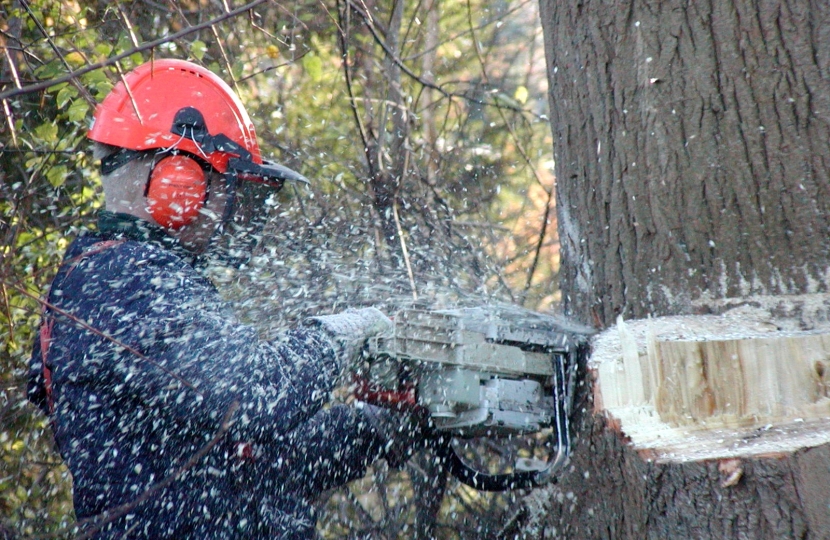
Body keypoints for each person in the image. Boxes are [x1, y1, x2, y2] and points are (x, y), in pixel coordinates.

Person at [28, 59, 427, 539]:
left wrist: (374, 428)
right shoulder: (125, 280)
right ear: (180, 182)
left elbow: (250, 463)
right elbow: (256, 394)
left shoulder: (120, 278)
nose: (229, 210)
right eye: (224, 187)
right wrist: (338, 335)